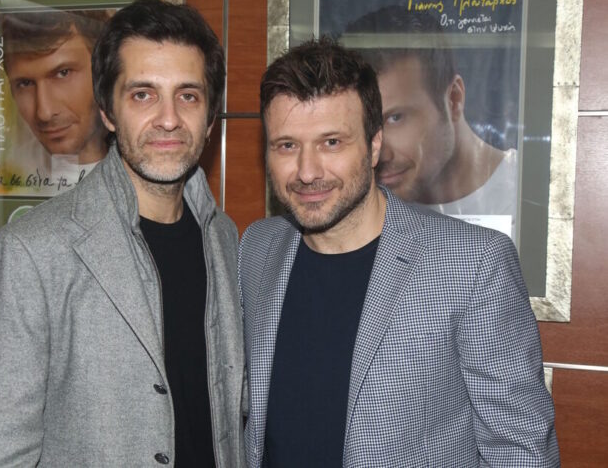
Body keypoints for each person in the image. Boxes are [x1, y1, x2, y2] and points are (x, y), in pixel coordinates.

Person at [239, 39, 558, 467]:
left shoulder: (474, 264)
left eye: (331, 142)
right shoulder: (257, 248)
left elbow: (521, 451)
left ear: (374, 146)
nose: (308, 171)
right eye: (286, 145)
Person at [0, 0, 245, 466]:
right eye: (143, 95)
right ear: (107, 111)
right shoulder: (29, 253)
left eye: (188, 95)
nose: (168, 118)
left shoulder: (225, 239)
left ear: (210, 118)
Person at [347, 6, 517, 220]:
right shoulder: (352, 208)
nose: (379, 153)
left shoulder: (524, 194)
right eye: (364, 123)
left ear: (454, 99)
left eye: (395, 118)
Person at [0, 9, 110, 185]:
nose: (44, 113)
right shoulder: (8, 168)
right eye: (25, 83)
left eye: (63, 73)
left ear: (103, 70)